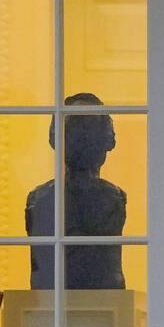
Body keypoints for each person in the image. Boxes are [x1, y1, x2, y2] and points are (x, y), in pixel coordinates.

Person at [25, 93, 127, 289]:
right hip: (53, 305)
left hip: (105, 307)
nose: (83, 143)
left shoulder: (114, 198)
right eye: (77, 134)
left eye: (89, 133)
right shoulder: (40, 199)